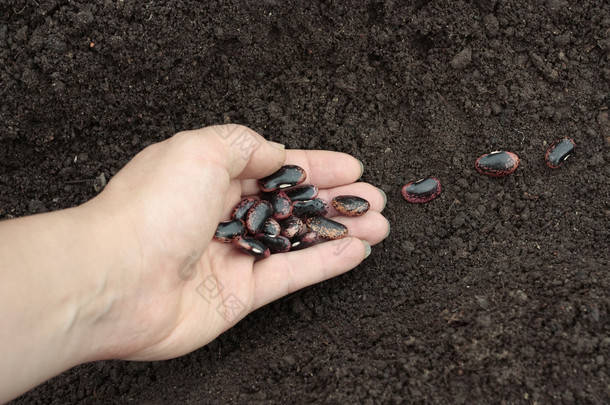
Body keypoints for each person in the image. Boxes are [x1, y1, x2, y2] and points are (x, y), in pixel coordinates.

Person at [0, 125, 389, 402]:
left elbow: (280, 213)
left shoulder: (280, 214)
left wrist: (112, 260)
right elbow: (266, 217)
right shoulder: (261, 217)